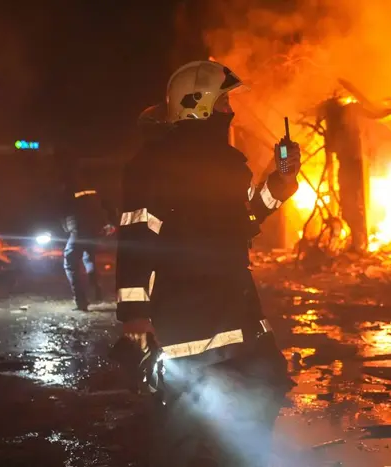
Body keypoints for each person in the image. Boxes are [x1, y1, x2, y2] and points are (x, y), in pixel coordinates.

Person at [115, 60, 301, 466]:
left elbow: (244, 220)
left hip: (236, 313)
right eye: (224, 102)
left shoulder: (227, 162)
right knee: (185, 427)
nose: (230, 110)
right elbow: (136, 239)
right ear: (198, 104)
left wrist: (278, 186)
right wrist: (134, 314)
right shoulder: (154, 165)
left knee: (263, 390)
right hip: (190, 320)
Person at [61, 171, 114, 311]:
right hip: (94, 230)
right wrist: (108, 223)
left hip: (78, 230)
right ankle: (97, 292)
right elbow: (107, 204)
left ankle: (81, 301)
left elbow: (61, 210)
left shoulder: (67, 189)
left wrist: (66, 227)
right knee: (89, 259)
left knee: (70, 264)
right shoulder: (93, 188)